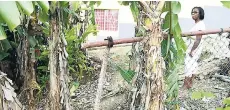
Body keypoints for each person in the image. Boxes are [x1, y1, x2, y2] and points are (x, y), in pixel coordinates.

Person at [183, 7, 206, 89]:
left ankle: (185, 86)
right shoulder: (197, 24)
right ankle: (189, 85)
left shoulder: (200, 24)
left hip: (193, 50)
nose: (193, 13)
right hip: (193, 49)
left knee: (188, 67)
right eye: (192, 12)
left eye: (195, 12)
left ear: (200, 14)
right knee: (192, 67)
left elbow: (198, 38)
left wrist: (192, 50)